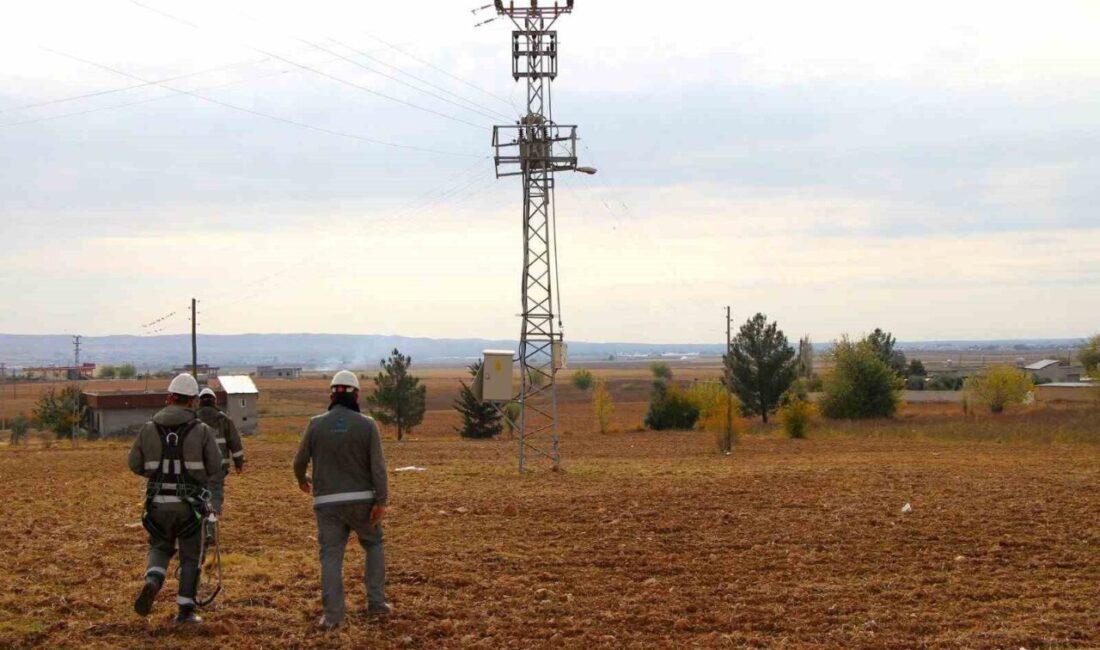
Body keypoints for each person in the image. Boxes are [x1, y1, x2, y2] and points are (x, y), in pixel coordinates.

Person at [293, 370, 391, 631]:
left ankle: (333, 617)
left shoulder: (315, 424)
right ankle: (377, 604)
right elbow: (378, 467)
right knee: (373, 544)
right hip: (363, 502)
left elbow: (299, 461)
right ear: (356, 395)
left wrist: (302, 480)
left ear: (331, 395)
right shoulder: (368, 425)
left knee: (331, 557)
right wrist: (381, 500)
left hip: (327, 504)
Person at [128, 373, 222, 625]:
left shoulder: (149, 428)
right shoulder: (201, 431)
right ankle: (185, 611)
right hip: (189, 508)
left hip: (157, 503)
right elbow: (215, 467)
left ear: (169, 398)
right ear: (193, 401)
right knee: (191, 556)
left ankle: (153, 580)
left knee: (160, 546)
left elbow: (134, 464)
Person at [195, 387, 245, 521]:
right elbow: (235, 443)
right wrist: (238, 462)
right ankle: (210, 523)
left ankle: (198, 524)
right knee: (215, 494)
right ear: (214, 401)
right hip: (219, 466)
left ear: (199, 402)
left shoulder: (192, 419)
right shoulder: (224, 420)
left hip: (196, 467)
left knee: (196, 494)